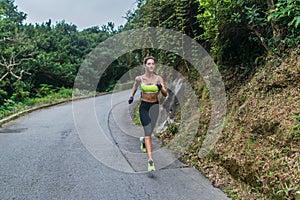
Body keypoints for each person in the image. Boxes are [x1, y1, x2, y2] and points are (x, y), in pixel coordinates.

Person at [128, 56, 167, 171]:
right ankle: (150, 160)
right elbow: (135, 87)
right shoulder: (139, 78)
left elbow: (165, 94)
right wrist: (131, 96)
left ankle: (143, 141)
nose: (151, 66)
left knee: (150, 131)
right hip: (144, 107)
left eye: (153, 64)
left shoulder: (159, 78)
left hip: (154, 106)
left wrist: (161, 87)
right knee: (147, 131)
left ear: (154, 66)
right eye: (149, 64)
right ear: (145, 65)